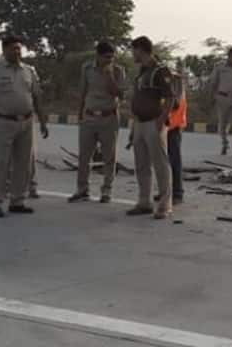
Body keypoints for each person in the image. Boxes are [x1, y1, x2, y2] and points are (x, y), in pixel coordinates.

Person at [0, 35, 48, 218]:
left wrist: (42, 122)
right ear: (4, 50)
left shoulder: (29, 71)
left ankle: (18, 201)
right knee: (1, 164)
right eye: (13, 48)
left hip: (26, 122)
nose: (17, 52)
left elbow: (37, 97)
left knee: (23, 165)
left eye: (19, 48)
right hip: (4, 122)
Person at [68, 41, 125, 204]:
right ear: (98, 56)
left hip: (109, 117)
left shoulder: (118, 71)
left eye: (112, 57)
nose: (110, 60)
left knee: (109, 157)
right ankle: (82, 189)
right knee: (84, 156)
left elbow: (119, 94)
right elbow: (83, 92)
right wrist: (80, 114)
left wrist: (109, 75)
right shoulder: (87, 69)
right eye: (107, 57)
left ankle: (106, 190)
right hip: (90, 116)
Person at [127, 36, 174, 220]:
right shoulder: (142, 71)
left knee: (160, 164)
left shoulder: (160, 71)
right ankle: (144, 201)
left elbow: (170, 97)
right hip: (139, 122)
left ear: (141, 49)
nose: (132, 54)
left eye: (134, 50)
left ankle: (165, 204)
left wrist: (162, 119)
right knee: (142, 165)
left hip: (153, 122)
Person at [167, 61, 188, 205]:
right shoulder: (167, 82)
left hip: (174, 126)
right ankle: (167, 192)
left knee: (174, 160)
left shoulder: (176, 82)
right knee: (165, 162)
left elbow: (176, 103)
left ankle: (177, 193)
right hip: (166, 126)